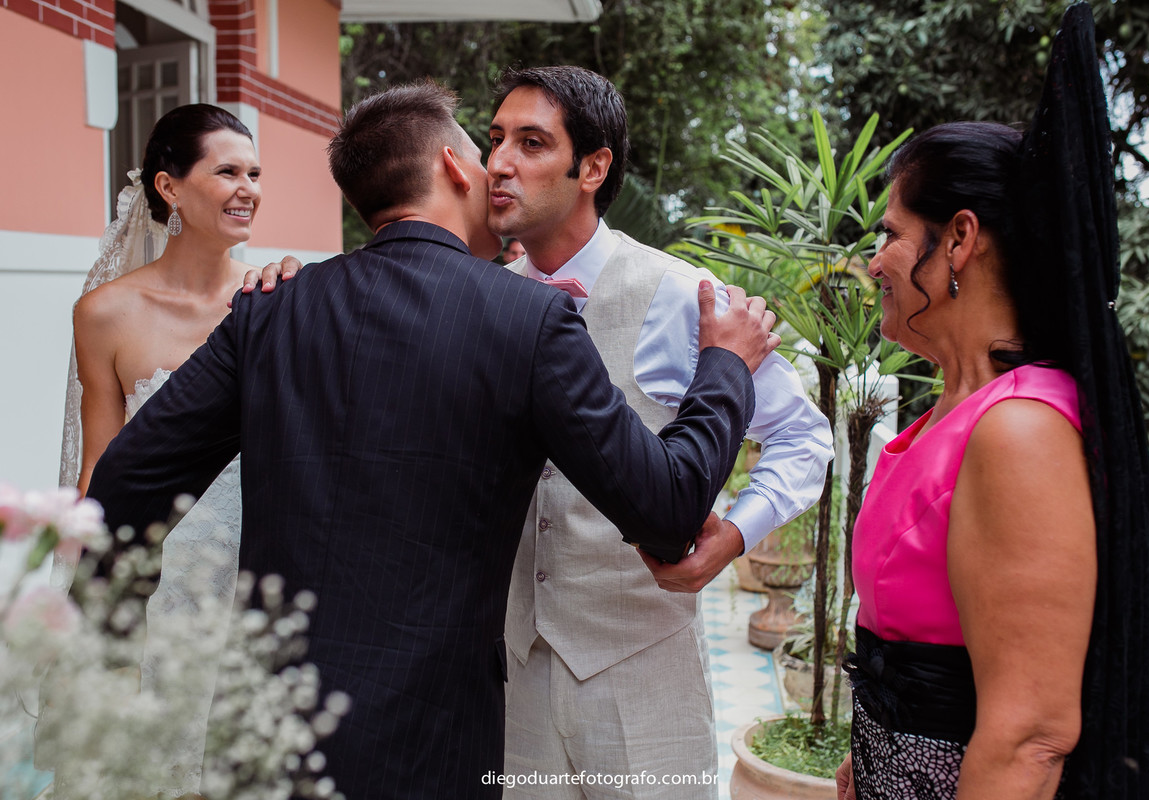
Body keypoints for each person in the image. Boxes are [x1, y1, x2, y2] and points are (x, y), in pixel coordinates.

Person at [85, 80, 780, 800]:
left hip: (266, 732)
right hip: (431, 743)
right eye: (485, 153)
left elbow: (123, 483)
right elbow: (668, 509)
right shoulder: (528, 319)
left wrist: (112, 642)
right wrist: (725, 365)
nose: (498, 171)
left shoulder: (269, 311)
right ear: (453, 166)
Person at [835, 6, 1149, 800]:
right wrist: (872, 756)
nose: (874, 263)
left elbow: (1030, 739)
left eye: (890, 234)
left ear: (958, 238)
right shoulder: (956, 413)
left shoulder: (1019, 430)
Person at [486, 65, 833, 796]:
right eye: (495, 140)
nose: (500, 163)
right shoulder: (485, 298)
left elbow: (804, 438)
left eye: (531, 142)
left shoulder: (682, 296)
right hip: (516, 668)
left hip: (643, 668)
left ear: (593, 168)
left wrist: (732, 537)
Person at [56, 103, 292, 796]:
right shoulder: (104, 313)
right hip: (160, 578)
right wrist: (99, 603)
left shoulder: (277, 297)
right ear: (169, 187)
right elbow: (100, 467)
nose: (248, 189)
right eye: (227, 172)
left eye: (254, 174)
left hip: (259, 563)